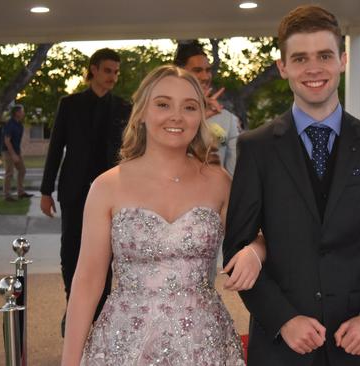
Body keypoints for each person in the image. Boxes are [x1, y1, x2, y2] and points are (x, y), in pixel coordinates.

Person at [222, 5, 360, 365]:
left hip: (356, 346)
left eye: (324, 55)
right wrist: (283, 319)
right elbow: (237, 252)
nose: (313, 68)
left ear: (342, 60)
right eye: (300, 58)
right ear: (283, 68)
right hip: (281, 348)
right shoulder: (256, 148)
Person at [61, 65, 263, 365]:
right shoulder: (107, 186)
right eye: (163, 104)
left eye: (190, 107)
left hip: (202, 342)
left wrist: (256, 252)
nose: (176, 116)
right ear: (142, 112)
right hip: (125, 343)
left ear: (201, 116)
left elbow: (257, 237)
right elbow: (88, 281)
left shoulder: (219, 181)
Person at [40, 48, 132, 336]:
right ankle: (74, 306)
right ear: (93, 69)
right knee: (70, 250)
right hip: (74, 190)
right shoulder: (70, 104)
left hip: (111, 193)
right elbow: (56, 148)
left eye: (116, 72)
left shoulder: (123, 108)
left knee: (105, 254)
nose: (113, 77)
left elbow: (130, 152)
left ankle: (99, 311)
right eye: (108, 71)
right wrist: (46, 190)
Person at [174, 41, 240, 175]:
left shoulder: (226, 119)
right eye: (197, 70)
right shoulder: (163, 116)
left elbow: (235, 173)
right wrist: (198, 116)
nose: (205, 77)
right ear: (179, 73)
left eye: (208, 70)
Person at [1, 104, 33, 201]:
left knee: (22, 170)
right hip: (7, 151)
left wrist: (18, 153)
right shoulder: (10, 124)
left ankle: (21, 192)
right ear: (17, 113)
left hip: (16, 151)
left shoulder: (19, 125)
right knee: (9, 173)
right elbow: (7, 141)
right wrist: (13, 154)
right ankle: (7, 195)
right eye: (22, 111)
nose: (23, 113)